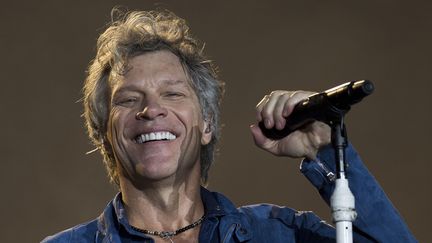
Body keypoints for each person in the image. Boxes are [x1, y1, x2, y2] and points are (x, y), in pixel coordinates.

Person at [42, 9, 416, 243]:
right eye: (128, 99)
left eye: (172, 94)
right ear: (104, 133)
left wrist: (324, 151)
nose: (151, 109)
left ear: (206, 125)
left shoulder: (279, 234)